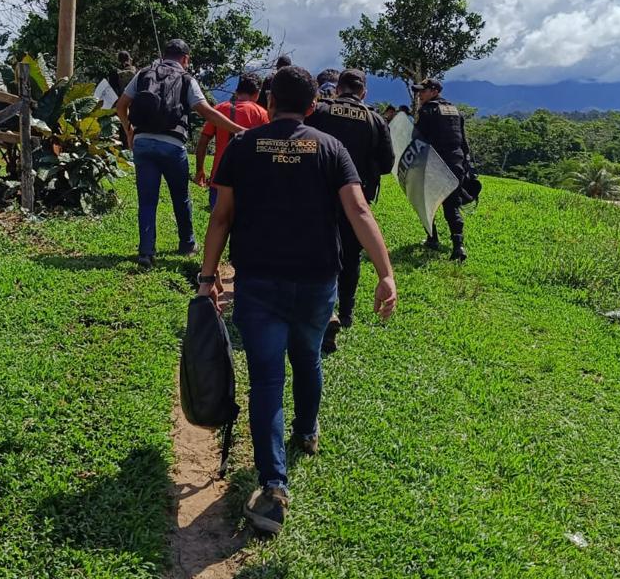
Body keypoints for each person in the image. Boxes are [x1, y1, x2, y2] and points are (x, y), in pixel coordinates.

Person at [200, 65, 397, 536]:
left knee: (267, 379)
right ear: (312, 107)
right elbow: (359, 210)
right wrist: (385, 273)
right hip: (316, 281)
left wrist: (208, 277)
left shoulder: (245, 146)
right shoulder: (331, 148)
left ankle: (273, 487)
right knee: (307, 357)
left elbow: (221, 217)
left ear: (268, 104)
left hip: (259, 280)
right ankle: (307, 433)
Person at [116, 39, 245, 269]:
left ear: (165, 55)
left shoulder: (144, 73)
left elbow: (121, 105)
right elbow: (206, 111)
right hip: (172, 144)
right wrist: (239, 130)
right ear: (185, 59)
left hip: (143, 142)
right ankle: (187, 244)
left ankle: (146, 252)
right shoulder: (187, 79)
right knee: (181, 197)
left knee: (147, 201)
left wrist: (129, 130)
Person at [305, 68, 395, 353]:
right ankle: (345, 312)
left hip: (318, 194)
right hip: (357, 197)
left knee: (316, 249)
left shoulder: (320, 111)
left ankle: (317, 309)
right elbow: (387, 163)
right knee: (351, 254)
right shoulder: (375, 119)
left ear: (338, 88)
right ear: (364, 93)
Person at [412, 78, 473, 261]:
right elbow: (463, 141)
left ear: (434, 91)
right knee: (452, 205)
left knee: (426, 202)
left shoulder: (427, 110)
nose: (419, 95)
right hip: (456, 163)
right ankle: (458, 245)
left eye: (423, 91)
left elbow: (417, 138)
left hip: (434, 163)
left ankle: (432, 239)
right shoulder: (455, 110)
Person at [194, 73, 270, 209]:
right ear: (257, 93)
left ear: (237, 91)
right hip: (249, 181)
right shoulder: (262, 114)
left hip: (219, 179)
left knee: (218, 224)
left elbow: (203, 142)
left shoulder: (219, 110)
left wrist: (200, 169)